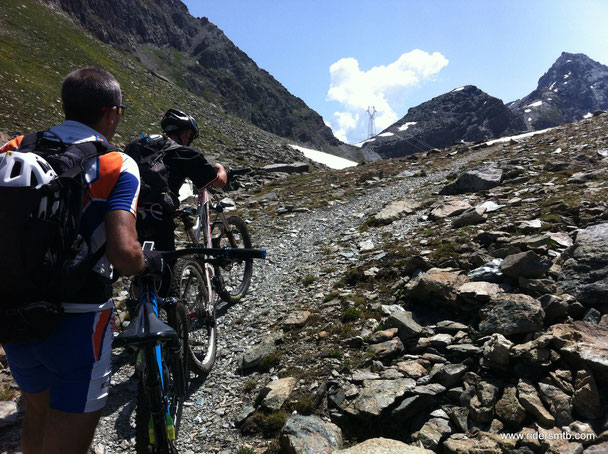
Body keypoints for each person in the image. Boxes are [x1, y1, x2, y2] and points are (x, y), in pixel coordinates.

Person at [0, 67, 152, 454]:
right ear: (112, 113)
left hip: (13, 311)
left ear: (65, 106)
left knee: (36, 414)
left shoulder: (16, 147)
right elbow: (124, 252)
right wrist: (144, 264)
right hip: (80, 320)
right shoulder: (117, 163)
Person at [126, 108, 228, 254]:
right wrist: (221, 169)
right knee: (164, 268)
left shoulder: (137, 144)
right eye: (191, 136)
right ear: (187, 133)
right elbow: (219, 182)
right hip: (157, 217)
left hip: (125, 212)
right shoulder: (185, 153)